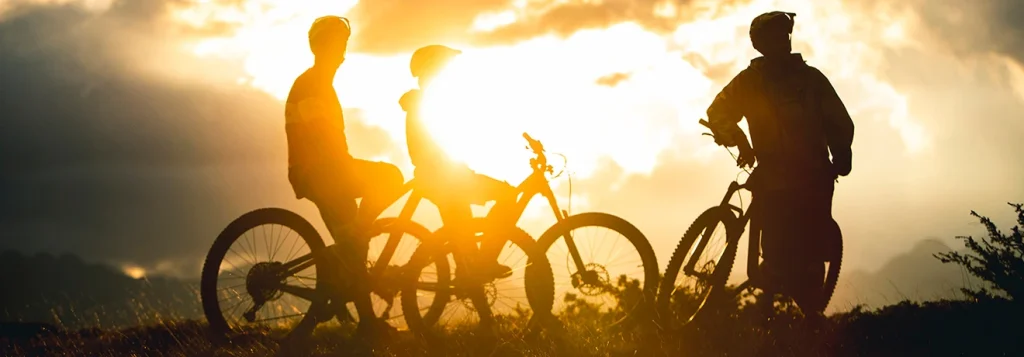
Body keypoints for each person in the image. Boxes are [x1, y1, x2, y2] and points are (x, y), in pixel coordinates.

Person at [703, 11, 854, 321]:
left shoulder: (811, 79)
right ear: (758, 45)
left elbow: (839, 121)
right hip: (775, 177)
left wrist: (841, 155)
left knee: (810, 250)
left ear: (787, 39)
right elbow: (718, 112)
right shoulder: (750, 81)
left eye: (781, 36)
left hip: (811, 175)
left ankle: (809, 315)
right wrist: (738, 139)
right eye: (769, 38)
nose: (777, 43)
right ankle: (789, 301)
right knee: (777, 250)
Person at [283, 15, 405, 341]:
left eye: (343, 45)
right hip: (324, 174)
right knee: (391, 176)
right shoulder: (313, 84)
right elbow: (322, 142)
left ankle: (365, 322)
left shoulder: (318, 83)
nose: (342, 53)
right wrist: (347, 169)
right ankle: (356, 230)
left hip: (325, 173)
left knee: (354, 252)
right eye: (338, 45)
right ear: (323, 47)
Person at [397, 44, 519, 328]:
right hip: (443, 180)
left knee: (464, 246)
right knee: (508, 196)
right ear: (431, 69)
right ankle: (484, 262)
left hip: (443, 178)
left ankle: (485, 313)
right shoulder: (424, 102)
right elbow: (428, 149)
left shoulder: (428, 100)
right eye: (443, 66)